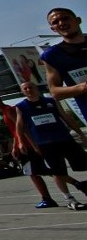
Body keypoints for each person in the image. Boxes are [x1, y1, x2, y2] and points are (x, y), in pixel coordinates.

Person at [14, 80, 87, 210]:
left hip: (64, 139)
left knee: (83, 163)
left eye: (30, 87)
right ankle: (69, 198)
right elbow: (20, 126)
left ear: (36, 88)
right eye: (25, 89)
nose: (28, 90)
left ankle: (83, 186)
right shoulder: (21, 106)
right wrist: (20, 142)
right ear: (22, 92)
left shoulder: (51, 101)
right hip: (45, 143)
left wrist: (80, 133)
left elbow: (66, 117)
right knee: (57, 171)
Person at [0, 91, 58, 207]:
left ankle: (49, 197)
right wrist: (14, 146)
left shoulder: (9, 110)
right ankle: (49, 195)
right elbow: (15, 132)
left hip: (26, 146)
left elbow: (22, 128)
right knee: (36, 171)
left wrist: (25, 144)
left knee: (34, 172)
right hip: (23, 145)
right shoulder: (4, 112)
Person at [41, 7, 87, 119]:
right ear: (53, 28)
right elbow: (55, 92)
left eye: (65, 18)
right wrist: (83, 87)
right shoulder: (53, 55)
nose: (61, 23)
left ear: (78, 20)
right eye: (55, 22)